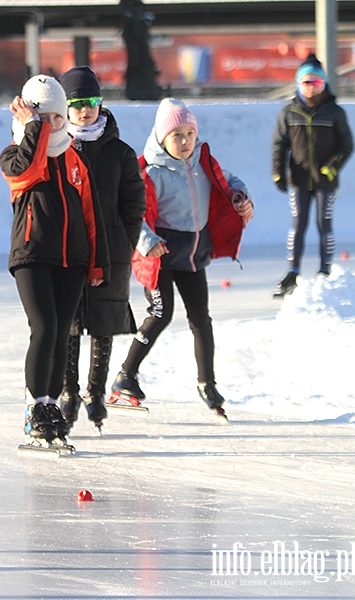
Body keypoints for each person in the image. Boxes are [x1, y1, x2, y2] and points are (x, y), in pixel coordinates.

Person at [110, 98, 254, 418]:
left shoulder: (203, 164)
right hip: (160, 256)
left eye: (190, 133)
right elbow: (131, 212)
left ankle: (207, 382)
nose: (186, 141)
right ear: (162, 138)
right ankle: (125, 376)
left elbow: (227, 179)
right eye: (177, 135)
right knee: (161, 313)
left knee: (201, 319)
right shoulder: (150, 172)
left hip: (192, 257)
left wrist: (240, 196)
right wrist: (148, 242)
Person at [0, 74, 110, 446]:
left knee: (62, 333)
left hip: (72, 260)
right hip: (32, 255)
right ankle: (35, 406)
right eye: (42, 119)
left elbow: (91, 214)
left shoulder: (75, 160)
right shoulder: (13, 155)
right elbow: (28, 171)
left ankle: (50, 405)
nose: (51, 126)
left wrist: (97, 263)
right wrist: (33, 129)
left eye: (56, 119)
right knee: (44, 327)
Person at [57, 66, 146, 432]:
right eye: (76, 104)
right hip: (71, 248)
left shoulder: (120, 152)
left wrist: (125, 239)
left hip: (111, 249)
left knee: (103, 324)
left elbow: (134, 201)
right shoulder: (58, 147)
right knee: (70, 324)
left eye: (90, 102)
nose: (84, 111)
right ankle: (68, 392)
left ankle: (95, 392)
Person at [271, 53, 354, 297]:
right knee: (298, 225)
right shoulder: (288, 113)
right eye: (306, 83)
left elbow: (347, 144)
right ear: (298, 84)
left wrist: (333, 165)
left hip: (325, 181)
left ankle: (324, 271)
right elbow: (279, 144)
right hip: (298, 179)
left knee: (323, 224)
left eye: (316, 83)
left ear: (324, 84)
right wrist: (278, 172)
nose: (311, 88)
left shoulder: (334, 112)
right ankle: (292, 271)